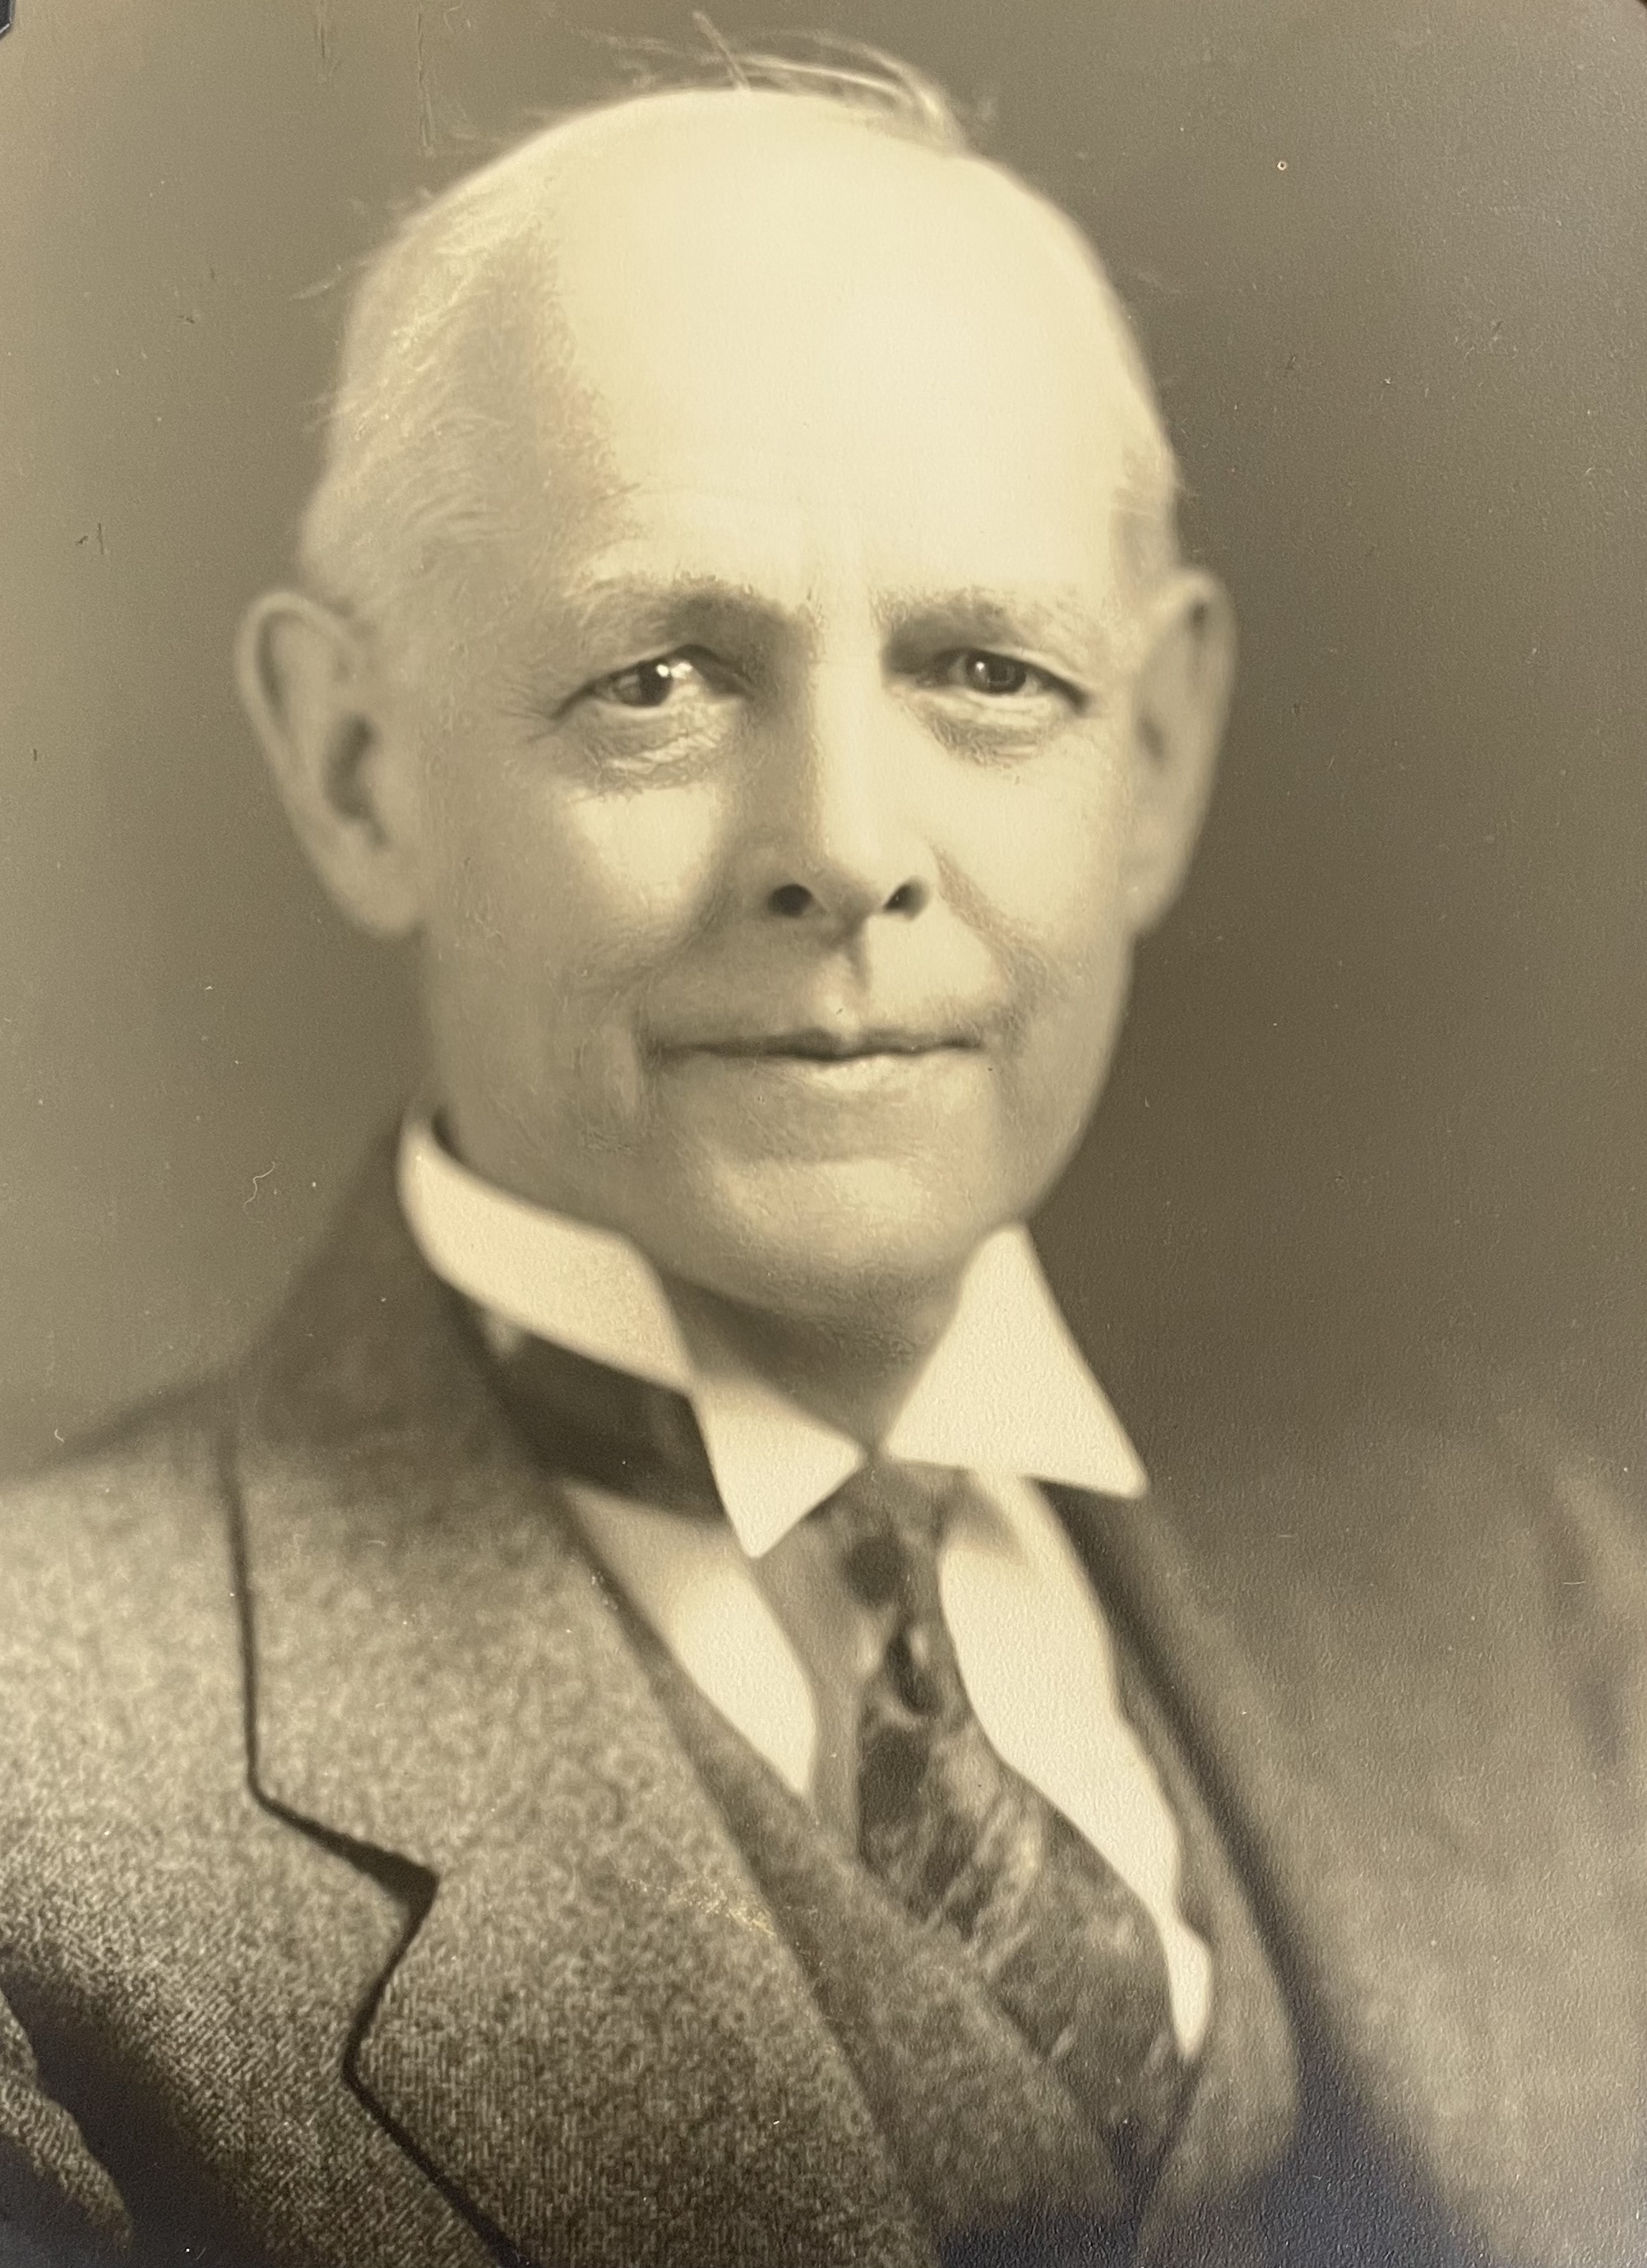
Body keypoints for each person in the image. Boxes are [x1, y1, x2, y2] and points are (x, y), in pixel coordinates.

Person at [1, 47, 1642, 2268]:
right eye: (660, 677)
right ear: (358, 766)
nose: (848, 848)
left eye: (989, 671)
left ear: (1156, 758)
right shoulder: (40, 1797)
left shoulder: (1512, 1586)